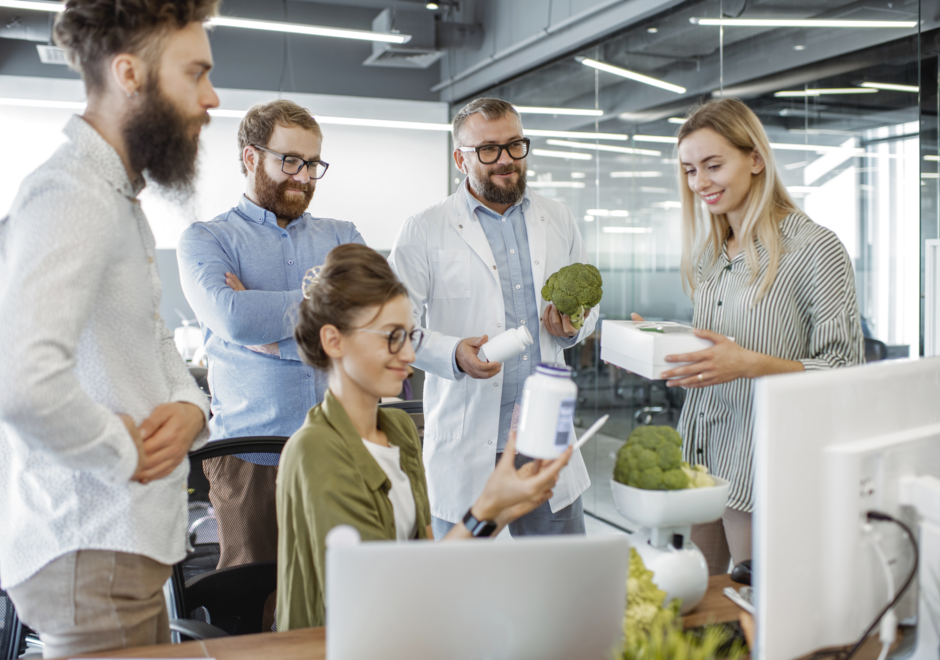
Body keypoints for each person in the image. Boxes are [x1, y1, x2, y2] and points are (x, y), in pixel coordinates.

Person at [0, 0, 218, 656]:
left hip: (123, 548)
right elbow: (21, 378)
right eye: (195, 73)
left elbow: (150, 340)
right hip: (89, 547)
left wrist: (190, 406)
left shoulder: (117, 199)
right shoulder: (70, 195)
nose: (211, 97)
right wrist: (122, 451)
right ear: (130, 74)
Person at [276, 243, 572, 631]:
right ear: (334, 341)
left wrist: (503, 509)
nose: (408, 353)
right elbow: (377, 602)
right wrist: (486, 507)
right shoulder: (315, 451)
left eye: (410, 336)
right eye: (391, 337)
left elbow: (428, 563)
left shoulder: (397, 430)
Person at [636, 97, 864, 574]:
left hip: (762, 466)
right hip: (700, 458)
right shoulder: (711, 254)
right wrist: (658, 343)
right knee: (700, 619)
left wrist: (751, 365)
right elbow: (717, 350)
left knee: (757, 620)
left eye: (713, 165)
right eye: (690, 170)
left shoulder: (814, 247)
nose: (700, 183)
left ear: (755, 159)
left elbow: (845, 372)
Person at [389, 97, 596, 540]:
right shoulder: (425, 228)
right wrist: (453, 354)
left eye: (515, 146)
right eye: (488, 150)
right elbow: (394, 329)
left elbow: (590, 308)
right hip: (466, 441)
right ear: (460, 158)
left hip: (545, 433)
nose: (505, 160)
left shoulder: (556, 217)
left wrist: (575, 326)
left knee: (560, 585)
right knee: (463, 588)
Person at [176, 100, 365, 569]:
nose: (303, 176)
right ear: (250, 158)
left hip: (335, 449)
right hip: (248, 455)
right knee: (250, 596)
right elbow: (234, 318)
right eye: (290, 161)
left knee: (335, 595)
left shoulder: (342, 235)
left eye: (313, 164)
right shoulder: (207, 239)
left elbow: (369, 316)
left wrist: (268, 336)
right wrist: (320, 320)